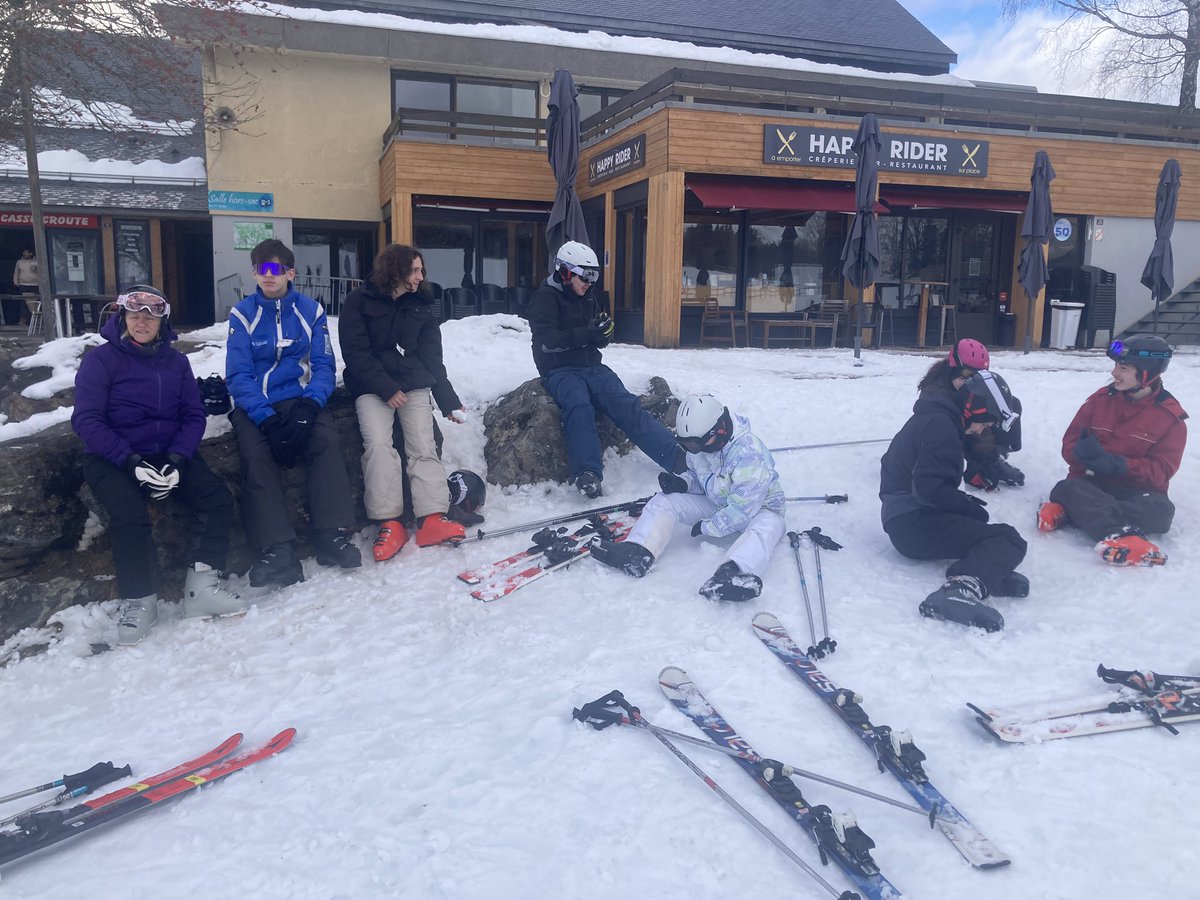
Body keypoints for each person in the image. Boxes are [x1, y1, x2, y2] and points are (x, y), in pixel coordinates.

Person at [72, 286, 246, 646]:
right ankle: (139, 600)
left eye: (150, 316)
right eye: (135, 315)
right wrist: (130, 462)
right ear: (122, 317)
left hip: (167, 454)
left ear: (161, 322)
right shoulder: (100, 361)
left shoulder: (176, 362)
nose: (142, 322)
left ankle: (201, 588)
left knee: (216, 499)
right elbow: (87, 420)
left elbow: (192, 414)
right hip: (111, 456)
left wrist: (179, 459)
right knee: (129, 513)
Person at [225, 239, 361, 587]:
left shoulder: (310, 311)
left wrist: (310, 406)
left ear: (290, 272)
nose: (267, 276)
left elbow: (323, 365)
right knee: (256, 455)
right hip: (257, 404)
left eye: (274, 269)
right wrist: (265, 418)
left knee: (326, 441)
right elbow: (238, 374)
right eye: (260, 269)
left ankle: (331, 535)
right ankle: (278, 549)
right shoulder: (242, 314)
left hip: (299, 399)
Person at [338, 243, 468, 561]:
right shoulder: (359, 301)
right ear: (395, 270)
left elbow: (431, 357)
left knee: (423, 445)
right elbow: (355, 352)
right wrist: (384, 387)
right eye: (414, 270)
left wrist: (448, 399)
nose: (420, 276)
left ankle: (432, 518)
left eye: (422, 270)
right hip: (371, 386)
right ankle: (390, 523)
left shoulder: (421, 304)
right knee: (379, 447)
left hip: (414, 383)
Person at [592, 394, 785, 602]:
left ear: (718, 430)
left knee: (764, 530)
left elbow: (742, 510)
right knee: (665, 501)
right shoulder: (704, 445)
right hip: (718, 503)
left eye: (696, 444)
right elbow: (698, 476)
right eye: (689, 445)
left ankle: (733, 573)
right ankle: (639, 551)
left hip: (760, 509)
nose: (694, 450)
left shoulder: (749, 454)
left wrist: (707, 527)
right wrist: (683, 483)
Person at [880, 363, 1028, 632]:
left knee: (983, 528)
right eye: (985, 423)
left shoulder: (937, 417)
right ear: (975, 410)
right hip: (912, 523)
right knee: (1008, 539)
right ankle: (959, 589)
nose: (982, 430)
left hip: (904, 517)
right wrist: (967, 507)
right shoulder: (942, 428)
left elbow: (894, 465)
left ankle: (984, 572)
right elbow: (929, 490)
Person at [529, 240, 682, 498]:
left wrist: (602, 335)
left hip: (591, 366)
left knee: (625, 403)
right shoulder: (545, 298)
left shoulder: (587, 296)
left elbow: (594, 330)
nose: (590, 282)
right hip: (559, 369)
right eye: (585, 276)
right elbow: (547, 343)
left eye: (594, 276)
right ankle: (587, 472)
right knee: (579, 406)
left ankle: (675, 456)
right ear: (565, 272)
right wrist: (586, 334)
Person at [1039, 335, 1187, 566]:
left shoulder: (1171, 419)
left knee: (1161, 511)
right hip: (1090, 483)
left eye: (1123, 367)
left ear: (1147, 373)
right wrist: (1080, 454)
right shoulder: (1099, 400)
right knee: (1068, 488)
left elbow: (1162, 472)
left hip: (1135, 492)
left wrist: (1120, 464)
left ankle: (1072, 513)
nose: (1114, 372)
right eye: (1116, 365)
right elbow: (1069, 443)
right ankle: (1123, 536)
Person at [11, 248, 38, 326]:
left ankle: (35, 320)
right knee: (23, 303)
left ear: (31, 253)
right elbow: (16, 272)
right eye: (24, 252)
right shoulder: (19, 262)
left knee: (34, 303)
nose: (25, 254)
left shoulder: (37, 262)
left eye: (26, 252)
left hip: (35, 284)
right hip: (23, 284)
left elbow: (42, 271)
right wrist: (15, 281)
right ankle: (23, 320)